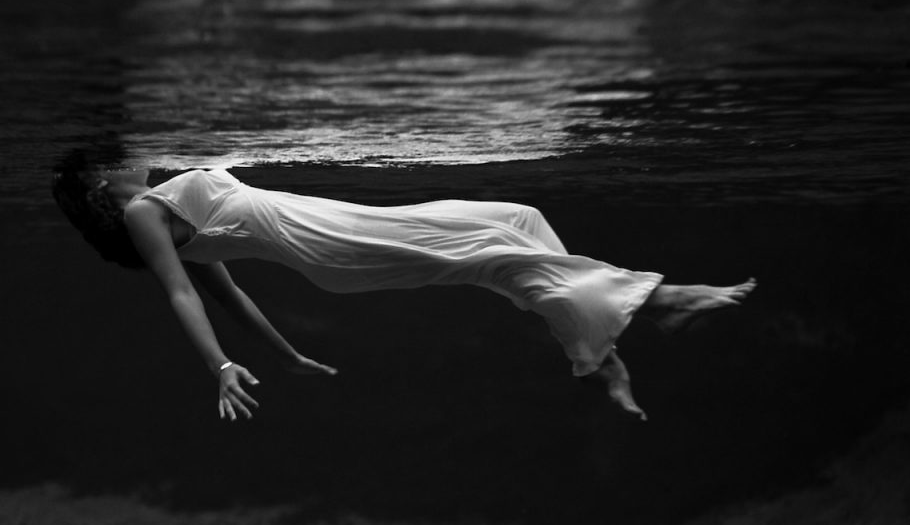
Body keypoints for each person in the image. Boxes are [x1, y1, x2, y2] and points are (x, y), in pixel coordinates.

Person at [52, 151, 755, 422]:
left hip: (335, 228)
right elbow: (186, 293)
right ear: (100, 187)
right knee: (495, 253)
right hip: (330, 245)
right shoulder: (146, 213)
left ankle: (595, 348)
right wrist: (222, 365)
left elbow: (231, 295)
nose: (131, 156)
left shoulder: (161, 201)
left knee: (515, 220)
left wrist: (286, 353)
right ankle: (659, 304)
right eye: (114, 161)